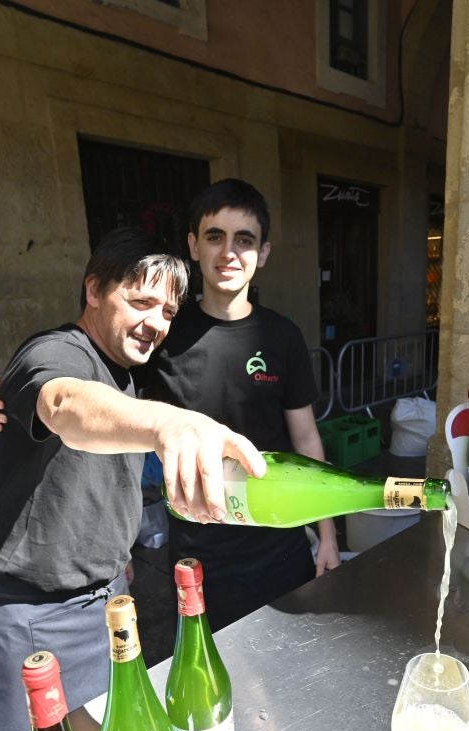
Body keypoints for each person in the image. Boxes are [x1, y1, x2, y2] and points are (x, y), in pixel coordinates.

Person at [0, 226, 264, 731]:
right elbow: (65, 406)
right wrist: (167, 424)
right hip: (31, 615)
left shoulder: (124, 369)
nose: (154, 323)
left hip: (103, 604)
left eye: (167, 312)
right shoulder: (57, 352)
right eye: (140, 301)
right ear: (93, 290)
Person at [134, 178, 340, 629]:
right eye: (215, 237)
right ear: (193, 245)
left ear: (262, 254)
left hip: (280, 544)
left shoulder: (281, 336)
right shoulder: (164, 333)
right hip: (198, 556)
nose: (229, 252)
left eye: (244, 240)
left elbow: (306, 438)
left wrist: (327, 535)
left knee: (294, 668)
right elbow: (114, 414)